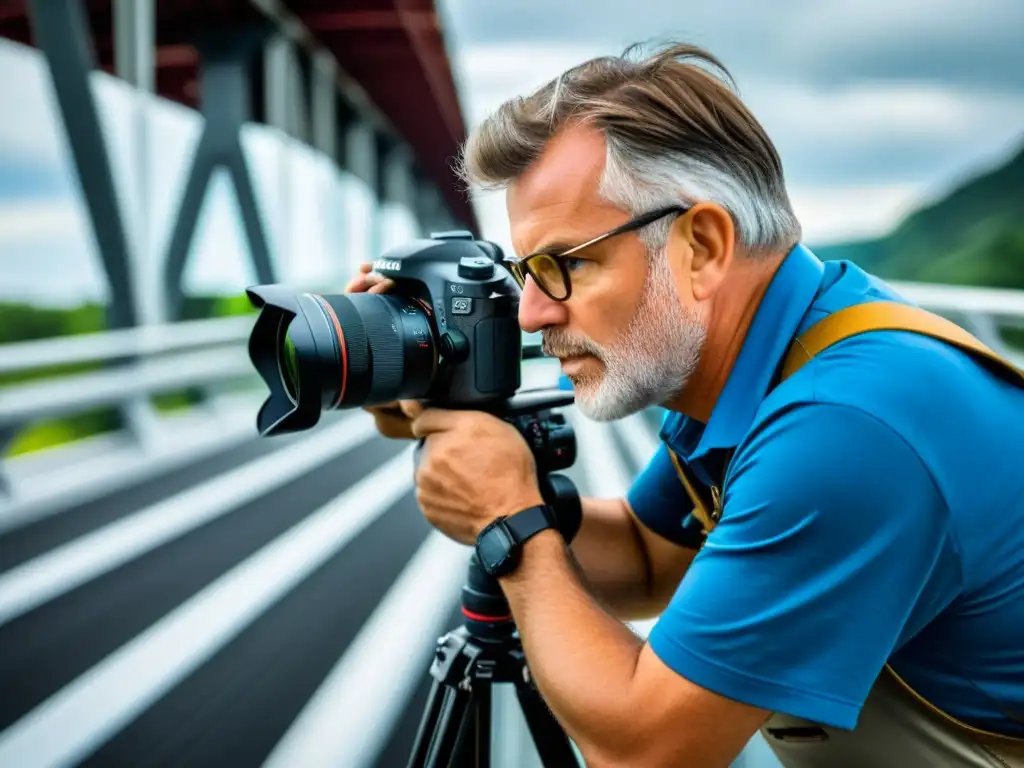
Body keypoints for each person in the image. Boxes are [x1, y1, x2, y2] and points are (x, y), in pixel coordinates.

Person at [347, 42, 1024, 767]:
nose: (531, 314)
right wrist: (480, 461)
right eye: (523, 272)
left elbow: (646, 751)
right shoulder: (764, 354)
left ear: (700, 248)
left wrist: (510, 525)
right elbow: (647, 557)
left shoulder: (844, 428)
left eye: (564, 265)